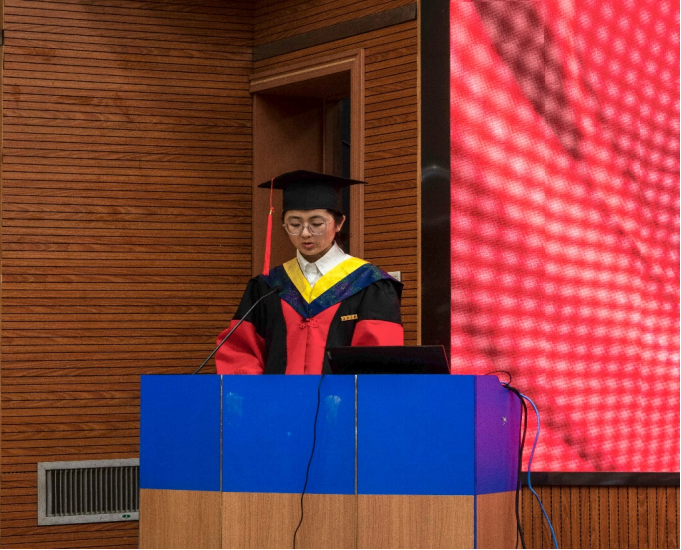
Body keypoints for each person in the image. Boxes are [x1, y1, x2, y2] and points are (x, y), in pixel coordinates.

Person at [215, 170, 404, 374]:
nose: (305, 233)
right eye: (295, 224)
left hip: (341, 395)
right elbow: (240, 352)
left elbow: (377, 360)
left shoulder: (369, 284)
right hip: (278, 394)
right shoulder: (268, 286)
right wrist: (259, 392)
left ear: (339, 223)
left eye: (316, 224)